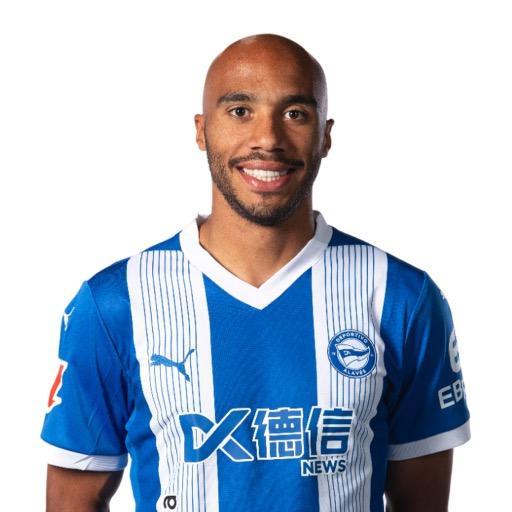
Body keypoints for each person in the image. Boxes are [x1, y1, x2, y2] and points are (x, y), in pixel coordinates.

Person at [42, 34, 470, 512]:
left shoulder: (402, 298)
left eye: (295, 113)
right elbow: (71, 500)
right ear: (202, 130)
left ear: (325, 135)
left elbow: (422, 503)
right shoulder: (114, 303)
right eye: (240, 110)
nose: (268, 138)